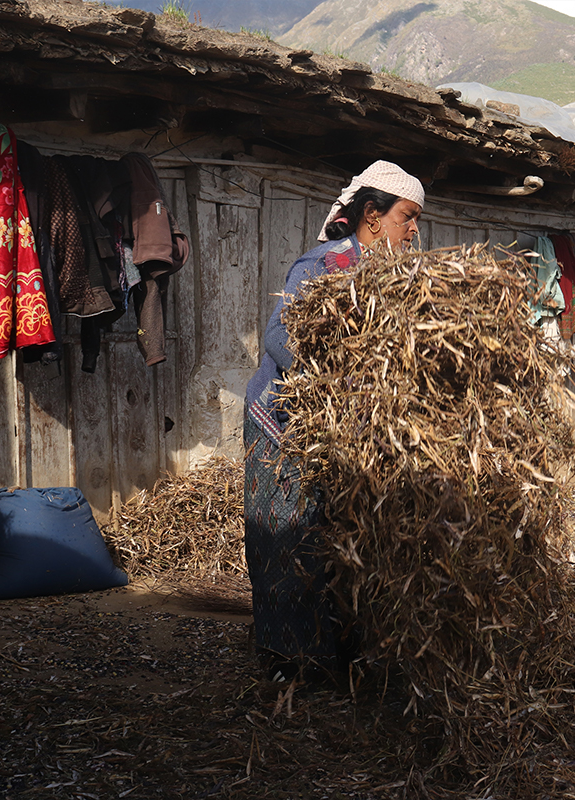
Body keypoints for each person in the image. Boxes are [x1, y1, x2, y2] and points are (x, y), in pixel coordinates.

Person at [243, 161, 425, 680]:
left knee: (338, 541)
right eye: (407, 218)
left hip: (347, 435)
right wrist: (338, 383)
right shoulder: (324, 264)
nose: (414, 230)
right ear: (372, 214)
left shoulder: (396, 278)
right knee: (285, 539)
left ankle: (333, 653)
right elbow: (280, 336)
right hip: (286, 424)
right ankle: (287, 660)